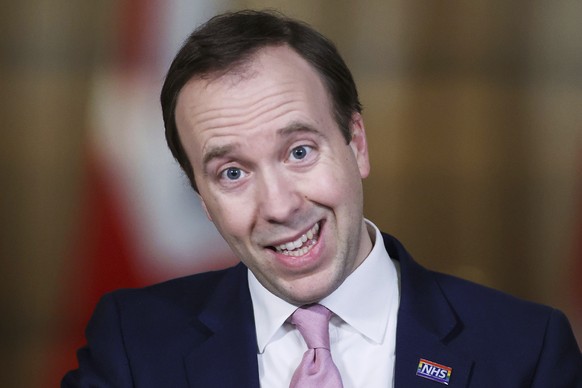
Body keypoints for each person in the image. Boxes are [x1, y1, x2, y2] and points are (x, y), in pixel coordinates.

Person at [62, 10, 582, 387]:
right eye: (233, 172)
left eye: (300, 151)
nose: (280, 206)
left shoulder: (525, 351)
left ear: (356, 144)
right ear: (201, 198)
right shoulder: (133, 343)